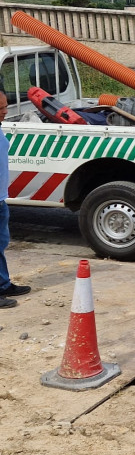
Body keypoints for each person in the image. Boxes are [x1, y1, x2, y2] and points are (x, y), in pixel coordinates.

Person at [0, 92, 30, 308]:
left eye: (5, 106)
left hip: (0, 199)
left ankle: (3, 284)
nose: (5, 112)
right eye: (0, 108)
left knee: (1, 244)